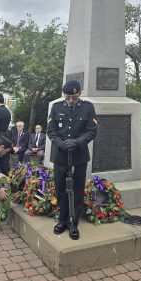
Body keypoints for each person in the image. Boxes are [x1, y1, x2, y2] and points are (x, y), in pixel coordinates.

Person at [47, 80, 97, 240]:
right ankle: (62, 220)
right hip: (61, 155)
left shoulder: (88, 107)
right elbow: (51, 130)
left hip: (79, 155)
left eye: (74, 97)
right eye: (68, 97)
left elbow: (92, 131)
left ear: (79, 94)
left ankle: (73, 222)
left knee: (77, 189)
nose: (70, 101)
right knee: (61, 189)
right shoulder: (56, 107)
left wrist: (77, 142)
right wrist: (61, 143)